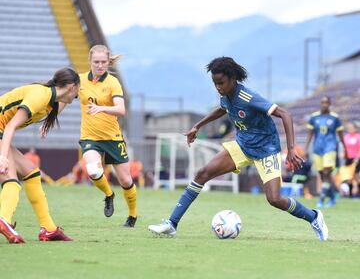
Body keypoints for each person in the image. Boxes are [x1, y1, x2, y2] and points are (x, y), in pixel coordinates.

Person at [149, 57, 328, 241]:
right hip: (242, 145)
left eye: (221, 83)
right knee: (202, 173)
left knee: (274, 199)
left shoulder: (248, 97)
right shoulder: (226, 96)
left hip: (266, 148)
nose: (218, 87)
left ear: (233, 78)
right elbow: (222, 108)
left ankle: (314, 217)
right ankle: (172, 223)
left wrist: (290, 149)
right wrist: (198, 126)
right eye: (215, 83)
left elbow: (285, 114)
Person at [0, 67, 79, 243]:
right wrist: (3, 157)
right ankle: (3, 220)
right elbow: (11, 126)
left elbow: (64, 101)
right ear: (71, 87)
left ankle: (49, 229)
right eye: (77, 92)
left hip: (1, 131)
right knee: (10, 181)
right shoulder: (40, 96)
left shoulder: (52, 100)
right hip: (2, 131)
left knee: (31, 172)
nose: (77, 97)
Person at [78, 45, 137, 227]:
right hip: (90, 137)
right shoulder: (79, 81)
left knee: (126, 180)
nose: (100, 65)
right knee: (94, 170)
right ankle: (109, 194)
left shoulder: (113, 82)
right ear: (90, 61)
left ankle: (132, 216)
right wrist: (51, 117)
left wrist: (101, 108)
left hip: (112, 138)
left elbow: (121, 109)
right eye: (96, 62)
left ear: (108, 62)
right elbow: (64, 99)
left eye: (103, 62)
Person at [305, 96, 347, 208]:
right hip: (317, 148)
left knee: (326, 173)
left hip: (330, 147)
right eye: (322, 102)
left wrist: (345, 148)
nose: (324, 104)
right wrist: (306, 148)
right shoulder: (314, 117)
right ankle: (332, 197)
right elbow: (310, 133)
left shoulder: (335, 118)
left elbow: (341, 135)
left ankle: (321, 200)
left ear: (330, 104)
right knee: (322, 175)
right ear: (320, 103)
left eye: (326, 102)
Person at [343, 122, 360, 197]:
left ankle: (357, 193)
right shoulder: (346, 137)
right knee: (348, 177)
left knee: (356, 176)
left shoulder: (358, 137)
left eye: (352, 128)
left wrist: (357, 158)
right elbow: (344, 148)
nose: (350, 129)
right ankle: (350, 193)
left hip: (356, 159)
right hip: (348, 159)